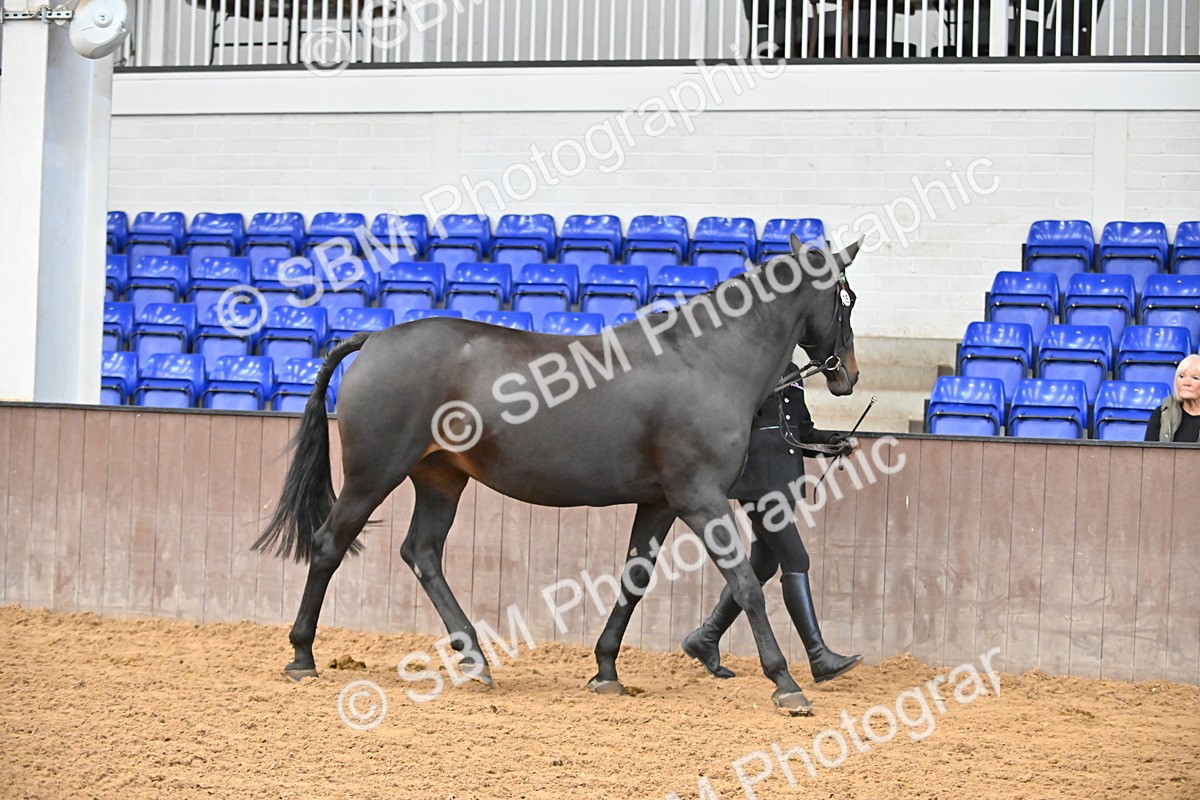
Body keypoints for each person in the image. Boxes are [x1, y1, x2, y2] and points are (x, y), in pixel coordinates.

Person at [681, 362, 863, 683]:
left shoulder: (792, 372)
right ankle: (817, 655)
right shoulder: (747, 368)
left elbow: (802, 432)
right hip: (758, 485)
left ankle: (706, 637)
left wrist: (835, 441)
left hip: (784, 484)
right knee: (796, 560)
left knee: (763, 565)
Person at [1143, 354, 1200, 443]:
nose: (1186, 382)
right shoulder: (1162, 413)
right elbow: (1149, 453)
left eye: (1195, 378)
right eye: (1181, 376)